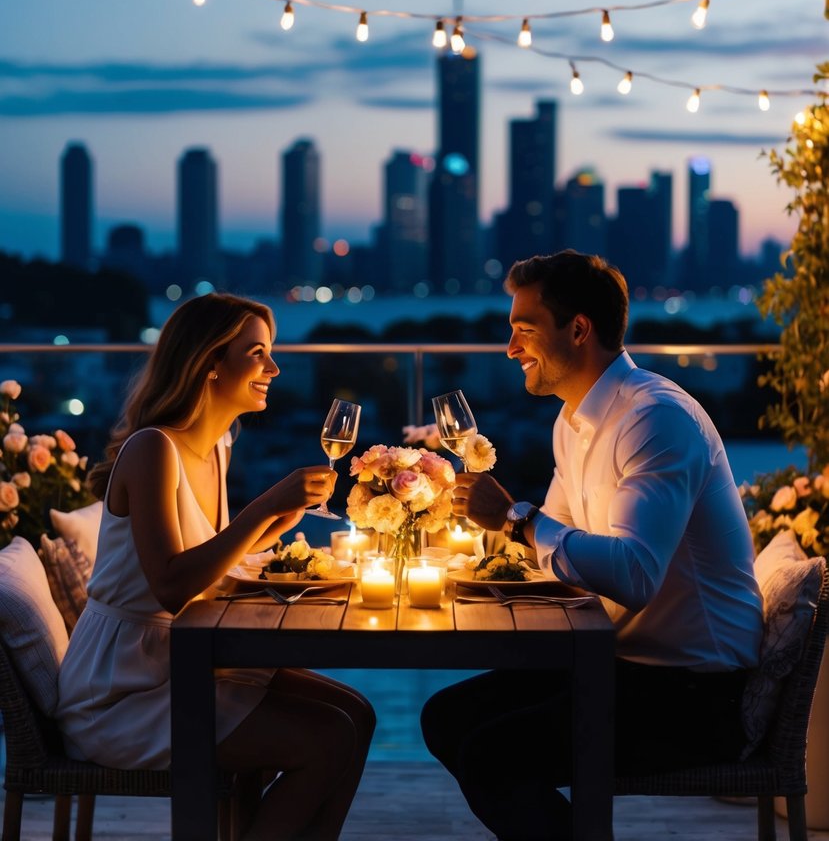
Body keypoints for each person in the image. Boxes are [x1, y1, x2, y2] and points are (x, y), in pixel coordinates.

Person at [421, 250, 763, 841]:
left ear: (578, 329)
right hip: (620, 663)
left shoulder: (655, 419)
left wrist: (513, 517)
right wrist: (478, 549)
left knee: (491, 755)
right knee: (445, 717)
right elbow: (550, 544)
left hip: (695, 691)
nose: (509, 349)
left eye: (523, 332)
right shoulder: (573, 421)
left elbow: (633, 575)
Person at [57, 292, 375, 841]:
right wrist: (265, 507)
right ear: (208, 363)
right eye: (257, 354)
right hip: (122, 691)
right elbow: (173, 586)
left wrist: (277, 524)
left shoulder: (217, 446)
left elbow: (213, 555)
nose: (274, 368)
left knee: (358, 716)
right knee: (327, 739)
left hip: (180, 662)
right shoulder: (153, 449)